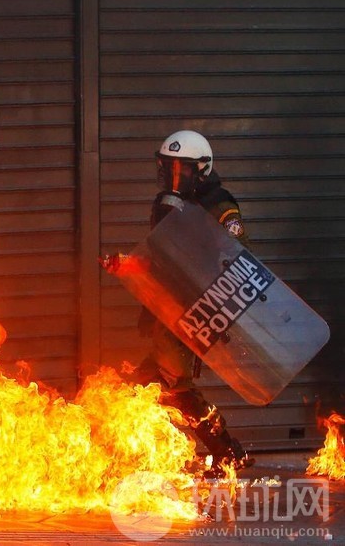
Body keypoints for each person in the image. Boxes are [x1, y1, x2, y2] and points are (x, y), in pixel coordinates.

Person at [132, 129, 254, 478]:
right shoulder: (174, 204)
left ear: (201, 169)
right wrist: (128, 267)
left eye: (180, 170)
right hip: (170, 308)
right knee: (147, 383)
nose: (173, 177)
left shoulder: (220, 207)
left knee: (172, 384)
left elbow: (238, 257)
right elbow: (164, 257)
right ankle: (226, 452)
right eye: (167, 168)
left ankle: (226, 452)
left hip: (198, 310)